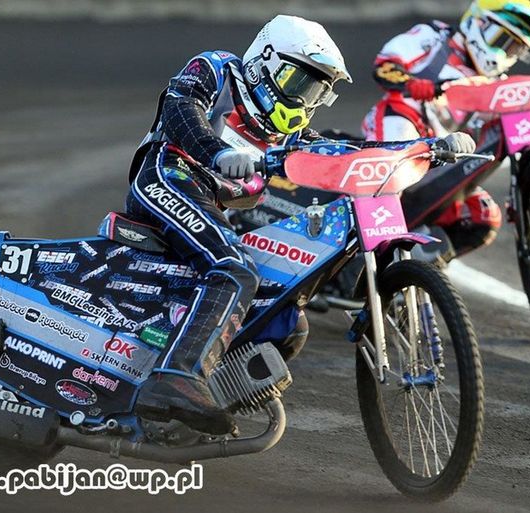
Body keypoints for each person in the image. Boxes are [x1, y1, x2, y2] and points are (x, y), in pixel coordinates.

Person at [126, 14, 477, 435]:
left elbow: (352, 149)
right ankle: (176, 378)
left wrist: (428, 148)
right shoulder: (217, 68)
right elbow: (181, 109)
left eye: (315, 91)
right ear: (265, 62)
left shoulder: (290, 138)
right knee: (236, 269)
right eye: (299, 82)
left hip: (210, 206)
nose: (303, 100)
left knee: (288, 323)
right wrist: (216, 152)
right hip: (167, 178)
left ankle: (188, 419)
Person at [361, 0, 530, 259]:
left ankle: (413, 275)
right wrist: (413, 84)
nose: (504, 54)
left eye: (515, 49)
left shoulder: (495, 85)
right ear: (478, 22)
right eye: (502, 40)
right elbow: (385, 65)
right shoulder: (435, 36)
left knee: (482, 215)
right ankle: (360, 257)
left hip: (442, 155)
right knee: (394, 177)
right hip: (402, 122)